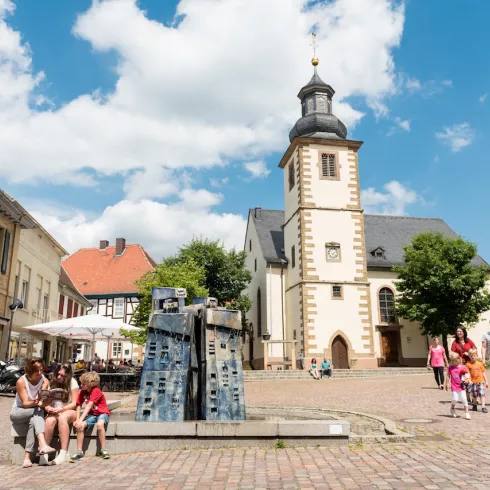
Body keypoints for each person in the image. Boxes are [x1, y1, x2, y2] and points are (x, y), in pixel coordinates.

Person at [9, 358, 56, 467]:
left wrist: (45, 399)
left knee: (32, 420)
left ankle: (27, 458)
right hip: (18, 412)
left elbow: (42, 395)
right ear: (29, 371)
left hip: (32, 412)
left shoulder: (44, 380)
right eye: (36, 371)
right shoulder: (21, 381)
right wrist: (39, 403)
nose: (40, 373)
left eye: (41, 369)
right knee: (37, 410)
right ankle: (42, 444)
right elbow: (25, 403)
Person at [70, 371, 111, 461]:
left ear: (90, 384)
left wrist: (81, 419)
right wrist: (77, 420)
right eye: (81, 383)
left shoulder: (96, 391)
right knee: (80, 427)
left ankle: (103, 450)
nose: (81, 385)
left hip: (102, 413)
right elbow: (78, 405)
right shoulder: (83, 392)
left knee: (100, 425)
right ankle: (79, 451)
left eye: (83, 384)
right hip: (92, 414)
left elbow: (89, 405)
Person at [44, 363, 80, 465]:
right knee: (49, 421)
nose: (59, 377)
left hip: (69, 410)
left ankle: (64, 452)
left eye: (63, 376)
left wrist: (61, 410)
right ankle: (44, 451)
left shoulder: (73, 383)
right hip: (55, 410)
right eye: (58, 374)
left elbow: (74, 403)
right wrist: (48, 407)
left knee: (63, 418)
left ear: (67, 376)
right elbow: (46, 402)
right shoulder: (52, 383)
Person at [445, 352, 471, 420]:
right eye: (451, 360)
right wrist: (447, 383)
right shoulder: (450, 367)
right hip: (454, 386)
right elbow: (448, 375)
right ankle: (452, 409)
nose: (452, 362)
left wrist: (467, 379)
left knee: (464, 399)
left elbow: (467, 375)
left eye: (453, 360)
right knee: (455, 399)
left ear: (458, 360)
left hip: (462, 386)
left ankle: (467, 413)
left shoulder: (463, 367)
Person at [466, 348, 488, 413]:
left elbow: (483, 373)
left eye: (474, 355)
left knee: (481, 394)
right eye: (471, 356)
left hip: (480, 381)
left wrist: (486, 381)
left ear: (477, 356)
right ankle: (475, 405)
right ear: (469, 356)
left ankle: (483, 407)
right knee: (474, 395)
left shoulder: (480, 364)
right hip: (473, 382)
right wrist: (469, 380)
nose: (473, 357)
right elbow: (468, 373)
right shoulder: (468, 364)